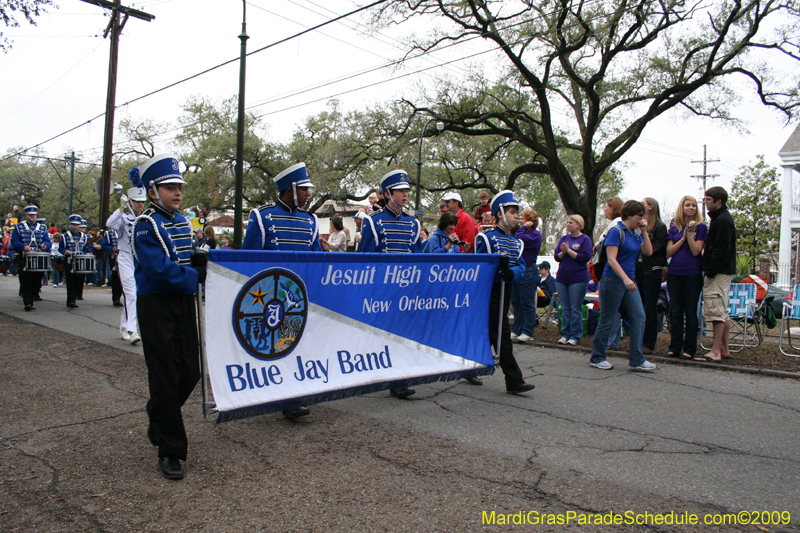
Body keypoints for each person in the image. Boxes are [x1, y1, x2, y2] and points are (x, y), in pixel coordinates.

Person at [132, 153, 204, 481]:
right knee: (164, 375)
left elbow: (187, 260)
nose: (177, 193)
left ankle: (158, 415)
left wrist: (205, 262)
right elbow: (160, 272)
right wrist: (195, 276)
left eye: (179, 187)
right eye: (170, 187)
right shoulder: (145, 225)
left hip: (182, 303)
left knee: (190, 370)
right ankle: (170, 450)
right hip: (157, 303)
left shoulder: (181, 222)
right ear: (152, 191)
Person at [242, 162, 322, 420]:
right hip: (270, 298)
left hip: (298, 296)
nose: (309, 195)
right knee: (273, 346)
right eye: (305, 190)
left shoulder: (310, 221)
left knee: (296, 345)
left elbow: (317, 259)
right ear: (291, 189)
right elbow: (248, 260)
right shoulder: (262, 217)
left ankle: (292, 397)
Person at [360, 169, 427, 393]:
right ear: (388, 194)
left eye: (407, 190)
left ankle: (398, 380)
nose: (405, 194)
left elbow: (418, 260)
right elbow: (366, 261)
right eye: (400, 191)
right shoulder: (373, 222)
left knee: (402, 334)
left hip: (406, 291)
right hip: (383, 290)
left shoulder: (413, 224)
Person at [475, 190, 535, 394]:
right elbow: (479, 268)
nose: (516, 216)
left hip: (506, 290)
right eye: (512, 212)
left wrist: (512, 273)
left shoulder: (518, 243)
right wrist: (496, 271)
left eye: (517, 212)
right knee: (501, 334)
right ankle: (514, 380)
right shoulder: (486, 238)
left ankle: (469, 368)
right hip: (489, 292)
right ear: (499, 213)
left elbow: (521, 265)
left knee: (487, 334)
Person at [589, 200, 656, 371]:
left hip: (629, 280)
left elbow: (648, 252)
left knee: (639, 317)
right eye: (640, 215)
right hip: (613, 280)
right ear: (630, 215)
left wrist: (645, 232)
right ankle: (597, 357)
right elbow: (611, 259)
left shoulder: (635, 233)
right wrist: (625, 278)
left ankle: (637, 359)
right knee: (608, 319)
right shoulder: (616, 231)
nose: (642, 218)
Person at [107, 172, 147, 345]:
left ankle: (124, 326)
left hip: (139, 259)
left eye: (142, 201)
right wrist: (121, 208)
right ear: (130, 201)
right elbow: (110, 224)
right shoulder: (123, 218)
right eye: (136, 201)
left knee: (135, 295)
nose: (140, 204)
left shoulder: (145, 218)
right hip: (124, 257)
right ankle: (133, 330)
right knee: (131, 295)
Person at [666, 195, 707, 359]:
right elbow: (669, 252)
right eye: (688, 205)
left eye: (694, 205)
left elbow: (697, 251)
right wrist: (682, 237)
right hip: (675, 272)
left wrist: (689, 234)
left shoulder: (701, 227)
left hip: (692, 274)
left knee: (691, 312)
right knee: (676, 312)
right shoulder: (674, 227)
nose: (691, 208)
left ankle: (689, 349)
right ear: (681, 208)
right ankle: (674, 347)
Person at [699, 186, 736, 362]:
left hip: (719, 272)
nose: (705, 202)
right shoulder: (720, 219)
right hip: (721, 270)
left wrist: (712, 270)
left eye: (708, 199)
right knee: (722, 310)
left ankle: (715, 351)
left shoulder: (722, 220)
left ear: (718, 201)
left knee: (716, 310)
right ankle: (724, 347)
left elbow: (721, 248)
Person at [553, 215, 592, 345]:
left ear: (578, 225)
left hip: (578, 278)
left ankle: (575, 335)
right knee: (565, 307)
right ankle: (565, 334)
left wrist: (569, 251)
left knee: (575, 307)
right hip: (562, 277)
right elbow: (557, 257)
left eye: (571, 222)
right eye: (568, 222)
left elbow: (584, 258)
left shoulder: (585, 239)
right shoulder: (564, 239)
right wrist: (563, 252)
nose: (568, 224)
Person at [637, 197, 667, 354]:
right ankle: (637, 341)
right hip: (638, 270)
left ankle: (649, 343)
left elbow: (655, 249)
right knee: (638, 307)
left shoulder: (660, 227)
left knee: (650, 307)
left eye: (644, 203)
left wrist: (645, 233)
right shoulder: (637, 225)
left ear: (651, 207)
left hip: (652, 270)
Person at [509, 209, 542, 343]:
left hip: (528, 270)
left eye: (522, 218)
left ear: (530, 221)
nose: (519, 221)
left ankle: (528, 331)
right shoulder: (521, 232)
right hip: (518, 269)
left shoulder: (535, 235)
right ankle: (517, 329)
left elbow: (520, 240)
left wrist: (524, 228)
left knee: (527, 303)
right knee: (516, 302)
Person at [596, 197, 624, 349]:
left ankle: (612, 340)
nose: (604, 210)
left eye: (606, 206)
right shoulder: (613, 223)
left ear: (613, 208)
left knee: (610, 309)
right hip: (607, 269)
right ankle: (611, 339)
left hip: (611, 271)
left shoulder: (617, 223)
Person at [11, 205, 51, 311]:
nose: (33, 216)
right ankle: (28, 302)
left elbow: (47, 240)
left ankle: (33, 296)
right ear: (26, 216)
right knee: (26, 279)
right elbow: (14, 241)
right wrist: (23, 246)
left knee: (37, 279)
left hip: (38, 257)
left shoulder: (42, 228)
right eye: (30, 215)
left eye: (34, 215)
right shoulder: (19, 227)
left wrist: (45, 245)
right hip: (25, 256)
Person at [59, 214, 89, 309]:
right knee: (70, 280)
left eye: (77, 225)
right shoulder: (64, 236)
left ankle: (76, 296)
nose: (75, 227)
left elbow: (85, 248)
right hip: (69, 260)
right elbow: (61, 248)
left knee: (79, 279)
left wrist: (85, 253)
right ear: (70, 224)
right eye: (73, 224)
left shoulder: (84, 236)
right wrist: (65, 251)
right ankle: (71, 300)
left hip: (80, 260)